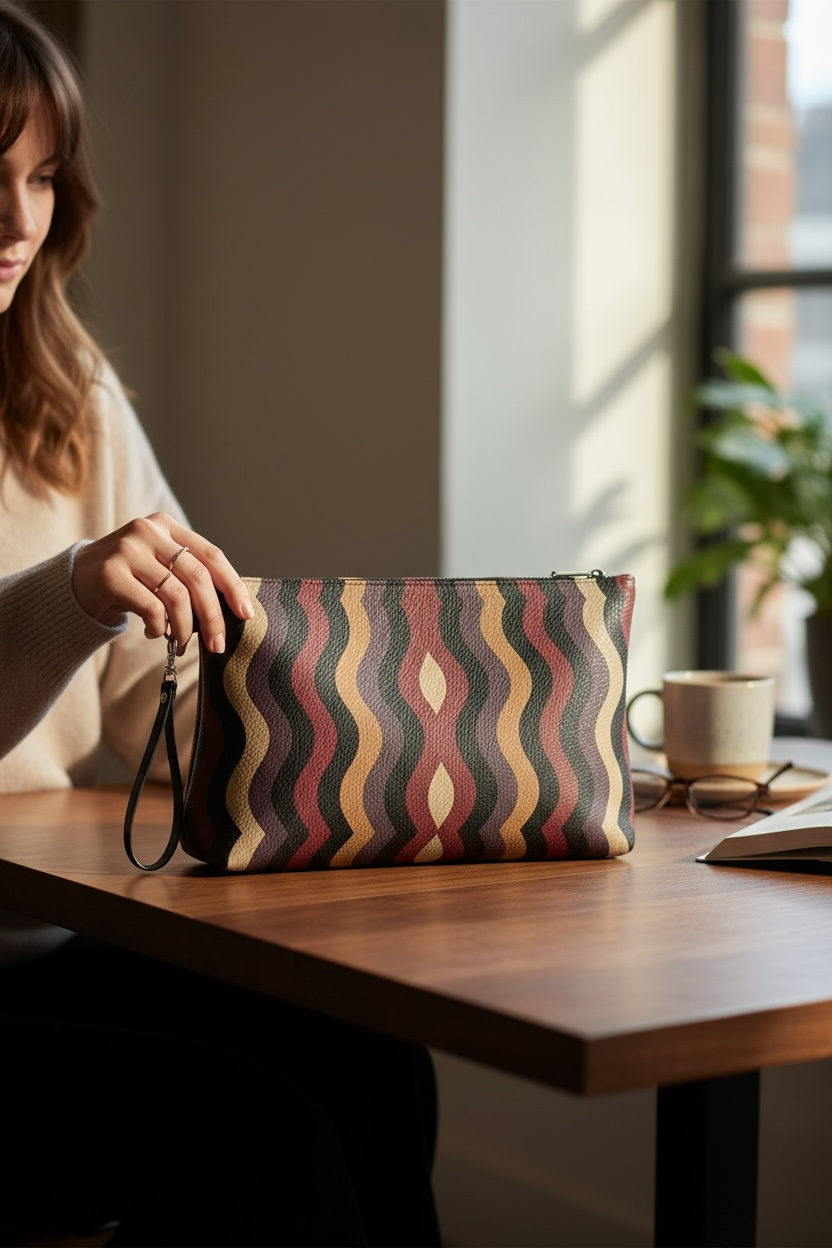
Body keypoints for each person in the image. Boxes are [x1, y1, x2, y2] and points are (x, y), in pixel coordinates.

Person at [0, 3, 441, 1244]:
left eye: (41, 176)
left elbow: (168, 689)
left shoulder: (61, 395)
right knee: (265, 1144)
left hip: (47, 946)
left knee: (373, 1056)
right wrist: (72, 594)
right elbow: (87, 600)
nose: (19, 221)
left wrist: (384, 748)